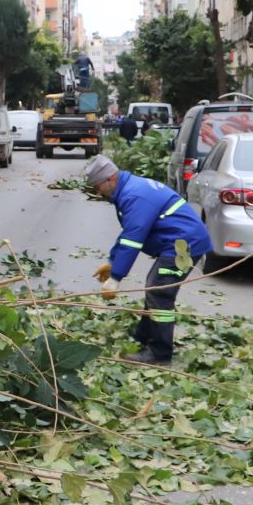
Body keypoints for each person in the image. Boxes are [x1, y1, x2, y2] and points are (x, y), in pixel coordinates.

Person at [83, 154, 213, 365]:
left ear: (110, 179)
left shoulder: (134, 195)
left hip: (184, 245)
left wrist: (116, 278)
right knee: (155, 288)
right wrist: (112, 261)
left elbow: (133, 240)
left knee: (159, 293)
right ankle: (143, 336)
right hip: (180, 241)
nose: (98, 192)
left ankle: (159, 353)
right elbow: (130, 232)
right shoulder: (129, 189)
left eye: (98, 187)